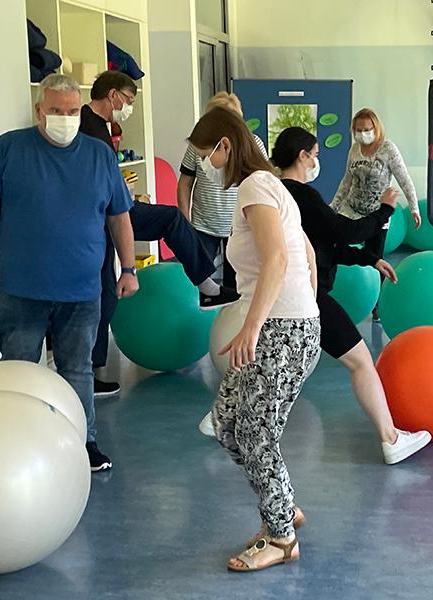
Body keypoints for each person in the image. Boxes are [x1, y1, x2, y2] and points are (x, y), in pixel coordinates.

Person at [0, 74, 136, 471]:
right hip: (21, 289)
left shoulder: (99, 155)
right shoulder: (9, 148)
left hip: (82, 289)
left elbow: (119, 217)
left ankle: (84, 441)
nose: (65, 118)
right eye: (56, 111)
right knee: (20, 368)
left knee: (77, 370)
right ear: (39, 110)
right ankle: (19, 441)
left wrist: (128, 268)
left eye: (73, 111)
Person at [189, 108, 320, 572]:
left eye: (207, 155)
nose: (206, 164)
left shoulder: (253, 186)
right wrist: (305, 307)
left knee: (255, 433)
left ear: (226, 146)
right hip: (286, 323)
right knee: (226, 423)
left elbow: (280, 259)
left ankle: (282, 537)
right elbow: (303, 252)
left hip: (282, 331)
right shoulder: (269, 185)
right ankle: (284, 504)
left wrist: (253, 325)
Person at [273, 126, 432, 464]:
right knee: (361, 362)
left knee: (271, 364)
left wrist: (369, 258)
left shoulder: (278, 193)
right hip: (307, 297)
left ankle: (222, 417)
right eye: (315, 155)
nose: (317, 161)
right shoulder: (302, 195)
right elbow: (344, 231)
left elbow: (326, 247)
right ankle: (391, 439)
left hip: (288, 295)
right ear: (302, 156)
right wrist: (385, 210)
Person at [79, 70, 222, 397]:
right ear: (113, 95)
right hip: (102, 217)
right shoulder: (88, 127)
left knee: (168, 219)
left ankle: (206, 283)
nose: (128, 107)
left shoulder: (101, 127)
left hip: (114, 208)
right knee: (103, 291)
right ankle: (88, 371)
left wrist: (128, 194)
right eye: (127, 101)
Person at [178, 92, 268, 295]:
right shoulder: (198, 145)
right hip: (203, 225)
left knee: (237, 284)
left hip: (238, 227)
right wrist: (185, 220)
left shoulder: (254, 146)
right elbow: (185, 183)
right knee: (198, 283)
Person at [331, 107, 421, 259]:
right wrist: (334, 206)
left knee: (374, 259)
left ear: (376, 128)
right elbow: (347, 180)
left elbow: (404, 180)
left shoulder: (388, 149)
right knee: (336, 247)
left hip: (377, 214)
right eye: (358, 130)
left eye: (367, 129)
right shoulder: (354, 149)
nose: (363, 134)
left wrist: (414, 208)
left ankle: (378, 282)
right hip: (351, 209)